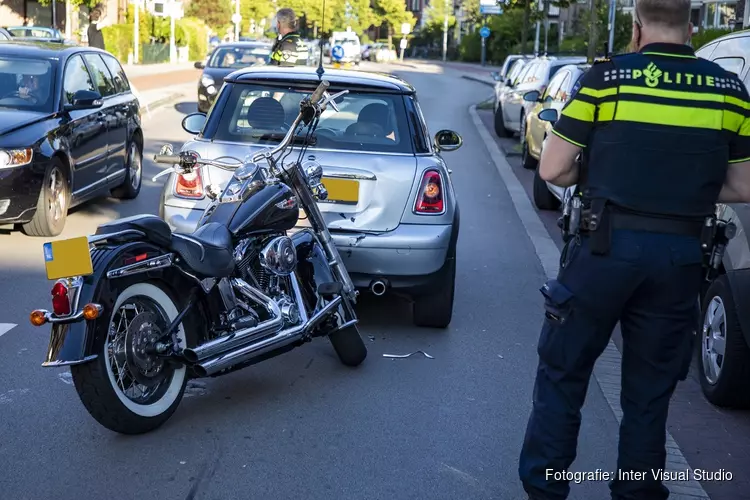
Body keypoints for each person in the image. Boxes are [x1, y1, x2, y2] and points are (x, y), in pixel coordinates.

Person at [517, 0, 750, 499]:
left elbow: (553, 169)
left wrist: (608, 177)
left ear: (637, 26)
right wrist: (681, 188)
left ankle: (546, 489)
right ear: (693, 27)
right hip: (681, 257)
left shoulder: (606, 81)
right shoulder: (730, 89)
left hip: (604, 249)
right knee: (649, 397)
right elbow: (744, 182)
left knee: (564, 375)